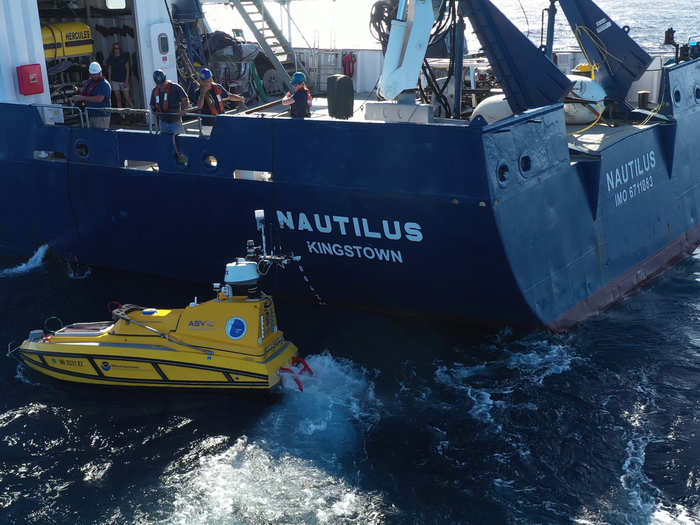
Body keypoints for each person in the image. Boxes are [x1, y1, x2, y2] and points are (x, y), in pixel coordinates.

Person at [149, 69, 189, 164]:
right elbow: (152, 105)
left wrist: (183, 110)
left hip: (176, 122)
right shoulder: (155, 91)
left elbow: (185, 99)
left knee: (180, 143)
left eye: (162, 83)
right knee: (166, 144)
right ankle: (168, 164)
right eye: (159, 84)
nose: (161, 86)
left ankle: (185, 162)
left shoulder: (176, 87)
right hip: (163, 123)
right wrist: (155, 111)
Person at [194, 68, 245, 134]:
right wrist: (203, 93)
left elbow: (229, 96)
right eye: (204, 81)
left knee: (224, 137)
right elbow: (199, 106)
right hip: (207, 123)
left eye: (208, 80)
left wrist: (240, 98)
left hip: (221, 120)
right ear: (201, 81)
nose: (206, 83)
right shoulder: (198, 92)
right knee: (207, 140)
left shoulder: (217, 87)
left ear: (211, 79)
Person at [71, 61, 112, 129]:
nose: (94, 76)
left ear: (100, 73)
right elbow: (86, 91)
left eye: (96, 74)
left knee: (101, 137)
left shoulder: (104, 84)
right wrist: (78, 90)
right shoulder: (91, 81)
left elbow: (99, 99)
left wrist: (82, 98)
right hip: (90, 114)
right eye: (92, 74)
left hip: (101, 116)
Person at [106, 42, 133, 118]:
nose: (116, 50)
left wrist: (127, 81)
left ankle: (134, 113)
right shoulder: (111, 58)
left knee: (127, 98)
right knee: (118, 99)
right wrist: (110, 81)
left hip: (124, 80)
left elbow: (128, 70)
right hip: (115, 81)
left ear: (120, 49)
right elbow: (109, 71)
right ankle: (122, 116)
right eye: (115, 48)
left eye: (117, 48)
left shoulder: (124, 57)